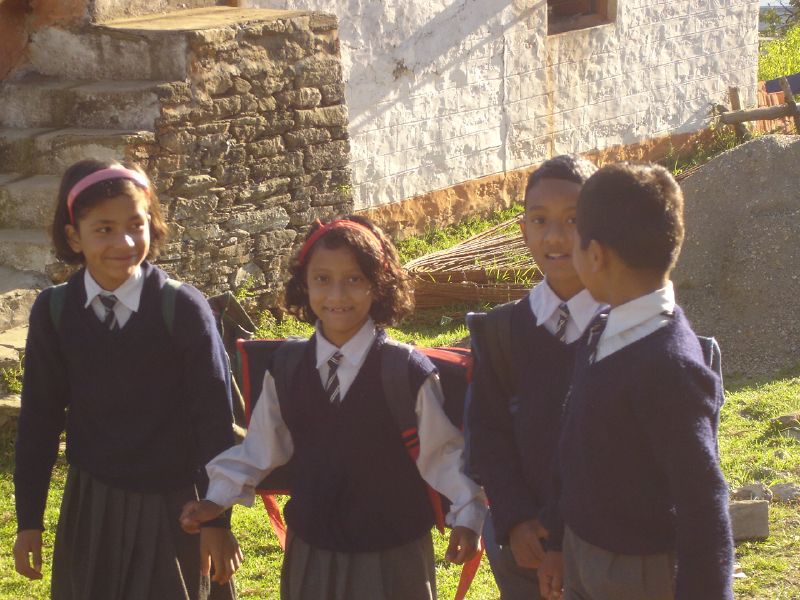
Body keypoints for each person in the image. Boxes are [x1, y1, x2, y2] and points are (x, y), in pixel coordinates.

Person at [179, 215, 486, 600]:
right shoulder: (288, 368)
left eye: (354, 279)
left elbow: (443, 455)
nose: (337, 295)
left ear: (379, 284)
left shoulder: (404, 372)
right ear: (303, 284)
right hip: (313, 553)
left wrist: (469, 517)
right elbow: (261, 448)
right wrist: (216, 498)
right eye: (322, 279)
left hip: (393, 559)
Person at [12, 159, 239, 599]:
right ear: (74, 236)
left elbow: (215, 421)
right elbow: (38, 423)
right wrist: (29, 522)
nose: (125, 241)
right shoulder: (55, 313)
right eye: (104, 229)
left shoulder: (182, 310)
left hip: (177, 508)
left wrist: (216, 521)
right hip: (91, 507)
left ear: (152, 224)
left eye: (136, 224)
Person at [539, 162, 733, 600]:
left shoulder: (669, 366)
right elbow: (573, 443)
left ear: (596, 254)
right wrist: (556, 539)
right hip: (582, 551)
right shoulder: (602, 327)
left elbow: (703, 502)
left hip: (637, 575)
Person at [466, 155, 603, 599]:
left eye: (574, 220)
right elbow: (486, 434)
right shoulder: (502, 332)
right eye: (540, 220)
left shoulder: (623, 327)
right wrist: (515, 518)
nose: (556, 236)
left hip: (605, 546)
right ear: (523, 231)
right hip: (525, 550)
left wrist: (567, 538)